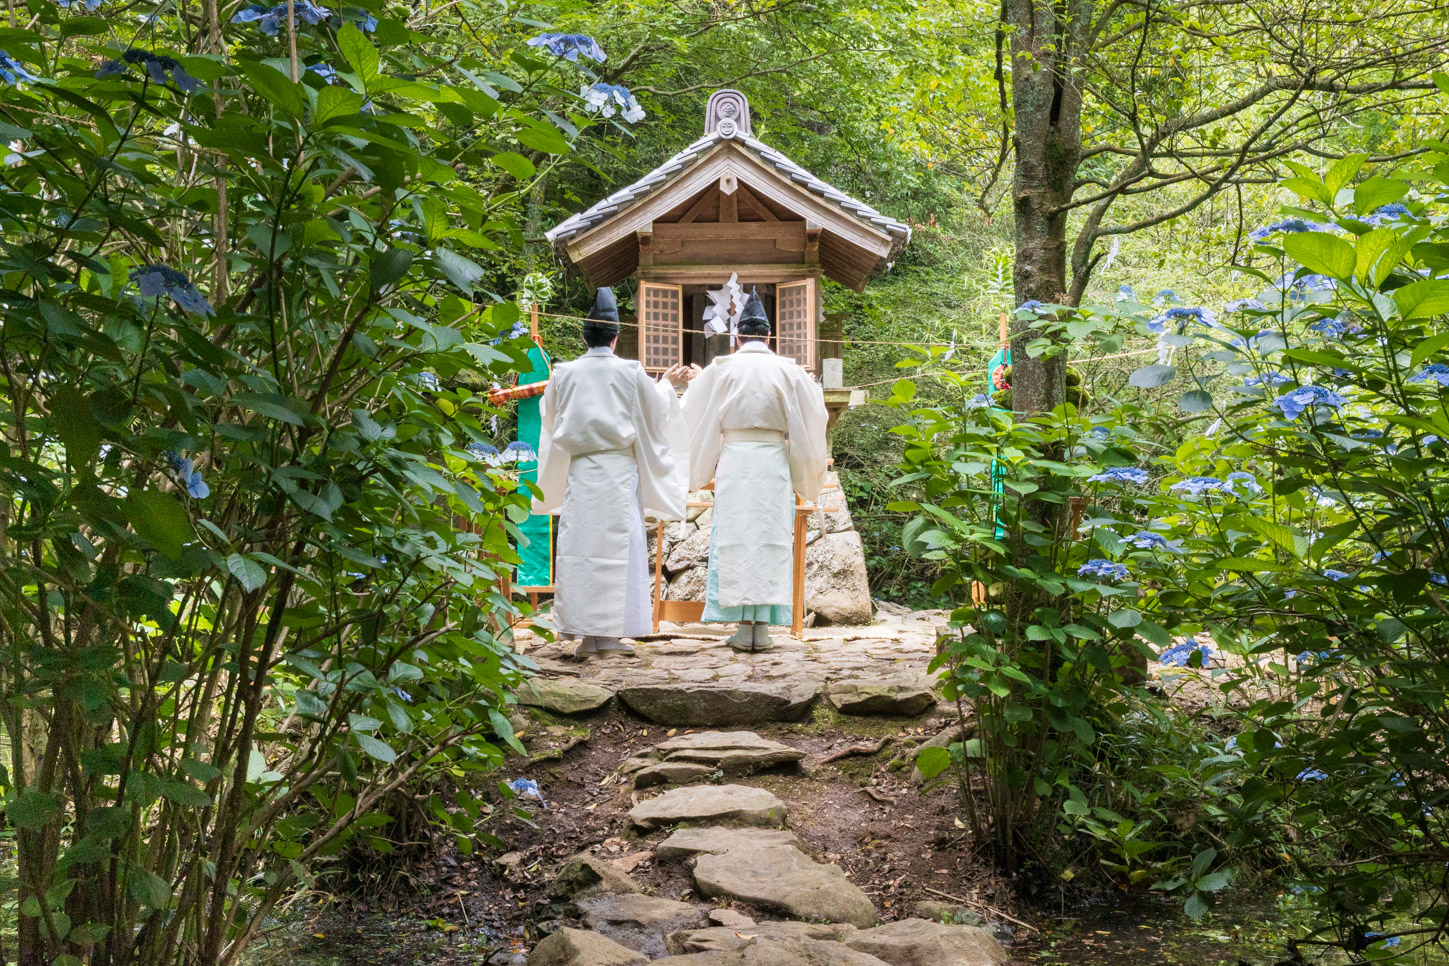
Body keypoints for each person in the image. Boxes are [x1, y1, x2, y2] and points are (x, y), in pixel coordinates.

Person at [534, 288, 694, 658]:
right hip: (619, 471)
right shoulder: (629, 371)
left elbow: (550, 417)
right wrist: (667, 385)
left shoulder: (564, 373)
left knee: (581, 552)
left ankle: (589, 637)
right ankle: (606, 638)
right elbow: (655, 414)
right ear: (616, 336)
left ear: (584, 335)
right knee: (618, 552)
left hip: (582, 469)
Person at [682, 288, 828, 652]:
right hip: (772, 459)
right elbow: (814, 414)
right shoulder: (788, 369)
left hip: (735, 458)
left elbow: (690, 410)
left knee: (735, 537)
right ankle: (761, 629)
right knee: (769, 538)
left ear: (737, 337)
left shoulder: (723, 367)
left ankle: (741, 625)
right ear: (767, 336)